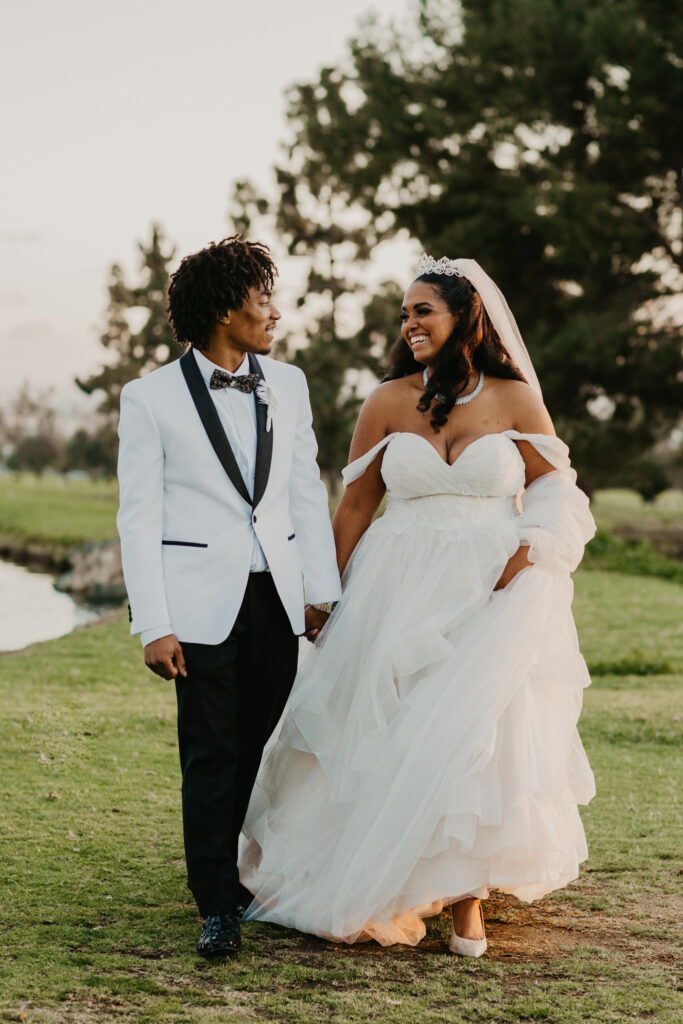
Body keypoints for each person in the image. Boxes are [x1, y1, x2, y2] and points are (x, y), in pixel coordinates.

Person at [239, 255, 597, 956]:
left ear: (464, 316)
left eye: (421, 311)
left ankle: (467, 900)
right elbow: (356, 504)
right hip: (393, 586)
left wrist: (533, 551)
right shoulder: (386, 402)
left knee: (469, 727)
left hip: (487, 583)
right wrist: (325, 593)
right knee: (386, 726)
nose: (408, 325)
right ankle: (375, 870)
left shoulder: (515, 398)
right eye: (403, 314)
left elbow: (557, 486)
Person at [116, 236, 341, 957]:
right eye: (261, 299)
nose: (274, 312)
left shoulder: (290, 383)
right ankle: (215, 900)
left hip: (274, 595)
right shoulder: (147, 398)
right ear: (222, 310)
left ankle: (234, 871)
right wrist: (153, 623)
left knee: (258, 739)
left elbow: (305, 488)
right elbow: (137, 517)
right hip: (196, 603)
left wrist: (321, 589)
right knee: (209, 752)